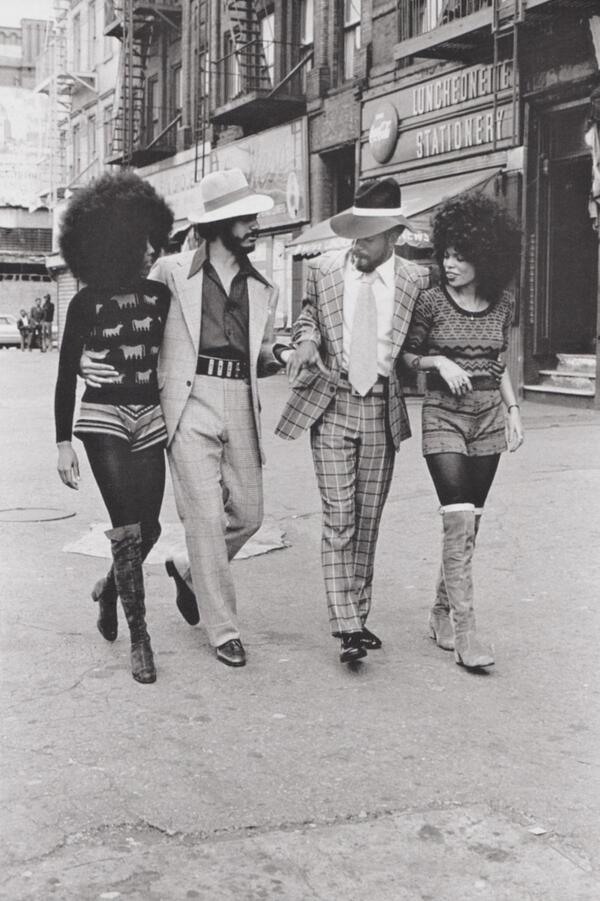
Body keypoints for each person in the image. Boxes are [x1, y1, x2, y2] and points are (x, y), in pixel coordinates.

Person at [80, 168, 286, 669]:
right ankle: (224, 630)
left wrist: (282, 352)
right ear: (219, 224)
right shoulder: (170, 272)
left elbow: (260, 354)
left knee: (250, 515)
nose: (255, 226)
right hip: (187, 401)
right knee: (205, 518)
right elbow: (121, 310)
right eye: (246, 218)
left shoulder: (264, 286)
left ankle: (185, 571)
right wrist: (87, 354)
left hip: (240, 399)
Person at [275, 178, 429, 665]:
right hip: (333, 403)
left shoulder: (415, 281)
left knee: (367, 519)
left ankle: (358, 618)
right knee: (339, 515)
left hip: (382, 408)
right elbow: (307, 319)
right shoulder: (323, 271)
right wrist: (306, 341)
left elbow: (421, 340)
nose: (356, 246)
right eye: (354, 236)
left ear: (393, 236)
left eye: (366, 238)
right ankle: (345, 625)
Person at [55, 171, 174, 684]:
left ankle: (109, 589)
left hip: (150, 417)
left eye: (153, 239)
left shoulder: (161, 297)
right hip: (102, 418)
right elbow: (65, 374)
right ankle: (140, 638)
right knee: (126, 527)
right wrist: (63, 442)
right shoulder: (84, 303)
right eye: (139, 240)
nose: (150, 250)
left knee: (151, 527)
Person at [402, 192, 523, 670]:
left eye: (460, 256)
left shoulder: (503, 304)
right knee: (457, 517)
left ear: (485, 258)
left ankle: (440, 612)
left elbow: (498, 362)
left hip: (489, 415)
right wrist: (438, 361)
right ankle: (466, 633)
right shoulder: (431, 302)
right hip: (443, 415)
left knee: (470, 522)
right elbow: (408, 356)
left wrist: (513, 409)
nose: (449, 264)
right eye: (446, 254)